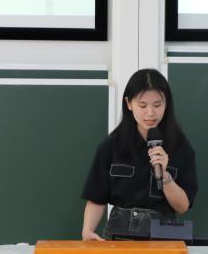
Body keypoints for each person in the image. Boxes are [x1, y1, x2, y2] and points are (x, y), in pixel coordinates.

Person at [80, 68, 198, 241]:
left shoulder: (181, 147)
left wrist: (165, 176)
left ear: (166, 104)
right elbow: (96, 197)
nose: (150, 113)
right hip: (120, 234)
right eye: (142, 106)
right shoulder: (111, 145)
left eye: (157, 105)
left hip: (163, 235)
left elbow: (182, 206)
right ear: (129, 104)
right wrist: (87, 230)